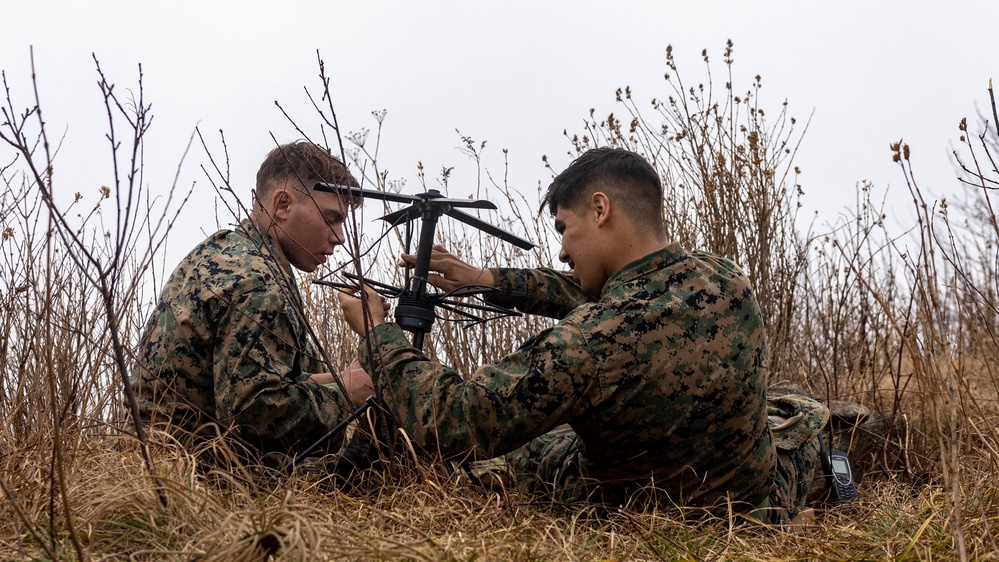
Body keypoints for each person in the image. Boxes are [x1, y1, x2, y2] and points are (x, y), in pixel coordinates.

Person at [338, 147, 827, 524]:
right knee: (789, 402)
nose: (563, 252)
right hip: (754, 507)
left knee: (529, 449)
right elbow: (604, 297)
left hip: (637, 513)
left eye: (563, 229)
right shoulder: (725, 279)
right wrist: (488, 279)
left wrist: (380, 333)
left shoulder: (588, 344)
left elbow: (452, 420)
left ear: (600, 209)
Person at [130, 140, 375, 461]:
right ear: (283, 205)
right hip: (197, 473)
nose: (340, 236)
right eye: (331, 218)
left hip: (164, 458)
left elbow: (256, 379)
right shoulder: (256, 280)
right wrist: (346, 395)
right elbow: (254, 413)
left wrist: (346, 377)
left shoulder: (228, 251)